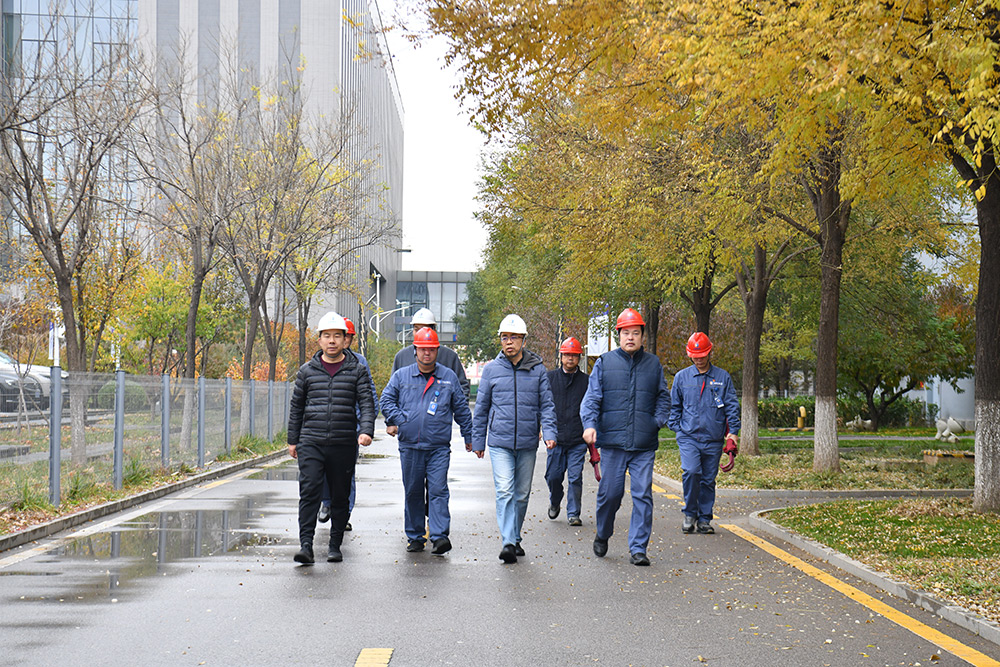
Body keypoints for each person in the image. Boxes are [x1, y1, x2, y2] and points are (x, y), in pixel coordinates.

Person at [581, 308, 671, 566]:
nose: (630, 337)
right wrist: (590, 424)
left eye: (635, 333)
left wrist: (656, 422)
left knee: (643, 495)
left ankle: (638, 548)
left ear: (642, 336)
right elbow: (592, 399)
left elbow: (663, 398)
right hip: (612, 443)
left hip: (643, 444)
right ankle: (603, 532)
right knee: (610, 494)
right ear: (618, 335)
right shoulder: (605, 363)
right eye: (626, 333)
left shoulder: (653, 364)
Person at [287, 311, 375, 565]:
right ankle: (306, 546)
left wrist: (366, 430)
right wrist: (293, 440)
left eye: (337, 336)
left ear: (345, 340)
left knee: (340, 494)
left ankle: (335, 546)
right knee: (309, 492)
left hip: (343, 441)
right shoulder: (307, 371)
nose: (332, 341)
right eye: (327, 336)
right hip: (311, 441)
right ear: (320, 340)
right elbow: (297, 407)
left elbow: (366, 403)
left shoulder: (357, 370)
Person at [472, 314, 558, 564]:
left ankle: (515, 536)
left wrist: (549, 433)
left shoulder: (537, 369)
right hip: (499, 442)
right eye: (504, 337)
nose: (508, 342)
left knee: (521, 494)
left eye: (514, 337)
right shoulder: (491, 370)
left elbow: (547, 405)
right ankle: (508, 542)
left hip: (527, 442)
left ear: (523, 340)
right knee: (505, 490)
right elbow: (482, 408)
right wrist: (478, 441)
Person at [380, 327, 474, 555]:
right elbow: (386, 400)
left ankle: (440, 536)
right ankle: (415, 536)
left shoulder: (448, 378)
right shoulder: (402, 376)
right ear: (415, 350)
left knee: (438, 490)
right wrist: (400, 419)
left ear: (437, 351)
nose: (427, 354)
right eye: (423, 349)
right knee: (413, 492)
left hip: (438, 447)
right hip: (410, 446)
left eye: (431, 350)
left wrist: (469, 436)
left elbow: (461, 409)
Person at [668, 332, 741, 535]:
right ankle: (690, 513)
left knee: (708, 479)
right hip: (689, 437)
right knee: (691, 472)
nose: (699, 359)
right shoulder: (682, 377)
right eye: (695, 356)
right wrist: (677, 427)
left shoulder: (722, 377)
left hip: (713, 438)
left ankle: (704, 519)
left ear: (709, 352)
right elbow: (674, 406)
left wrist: (733, 434)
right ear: (689, 355)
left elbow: (732, 407)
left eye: (702, 355)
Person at [316, 317, 378, 531]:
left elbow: (369, 395)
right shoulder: (321, 361)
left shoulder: (359, 362)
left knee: (346, 473)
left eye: (347, 337)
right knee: (322, 469)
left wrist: (366, 426)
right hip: (326, 427)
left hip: (351, 427)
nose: (344, 341)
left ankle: (344, 514)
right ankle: (326, 502)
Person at [545, 336, 590, 527]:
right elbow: (543, 405)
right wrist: (542, 428)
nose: (570, 358)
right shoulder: (550, 379)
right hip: (555, 439)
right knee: (553, 476)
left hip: (577, 439)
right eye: (567, 355)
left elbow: (592, 407)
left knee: (575, 477)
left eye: (574, 355)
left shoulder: (587, 381)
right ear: (561, 356)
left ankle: (574, 513)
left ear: (579, 358)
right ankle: (555, 501)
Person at [391, 308, 470, 399]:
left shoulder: (449, 357)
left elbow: (462, 389)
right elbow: (392, 393)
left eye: (424, 329)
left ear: (434, 330)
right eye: (417, 329)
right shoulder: (402, 357)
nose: (421, 334)